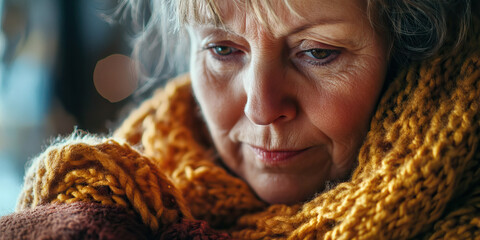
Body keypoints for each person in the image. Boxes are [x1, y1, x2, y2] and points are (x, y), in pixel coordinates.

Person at [1, 0, 479, 239]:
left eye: (317, 53)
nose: (260, 107)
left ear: (406, 57)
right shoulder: (117, 195)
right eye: (223, 49)